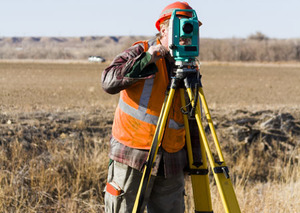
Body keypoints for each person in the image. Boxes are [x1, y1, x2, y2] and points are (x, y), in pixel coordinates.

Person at [101, 2, 202, 212]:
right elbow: (108, 81)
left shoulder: (189, 65)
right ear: (164, 29)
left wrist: (195, 160)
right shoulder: (142, 51)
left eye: (190, 28)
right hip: (133, 155)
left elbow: (192, 117)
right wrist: (147, 59)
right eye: (181, 27)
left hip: (171, 161)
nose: (186, 35)